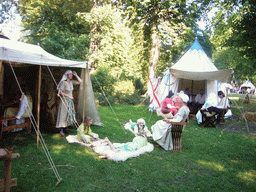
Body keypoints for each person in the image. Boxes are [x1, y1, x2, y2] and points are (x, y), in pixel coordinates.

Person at [56, 70, 82, 136]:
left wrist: (76, 75)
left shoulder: (71, 82)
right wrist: (68, 96)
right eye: (70, 74)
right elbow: (60, 92)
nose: (71, 75)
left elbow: (80, 82)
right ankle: (61, 130)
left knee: (68, 114)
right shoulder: (63, 83)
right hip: (64, 100)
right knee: (63, 114)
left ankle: (66, 128)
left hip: (70, 101)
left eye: (71, 74)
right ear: (67, 75)